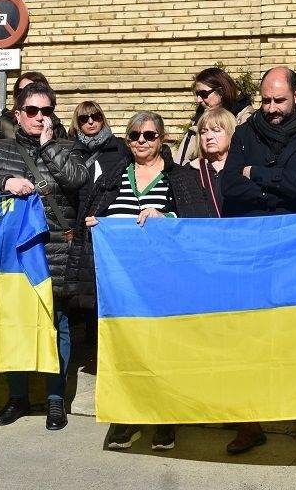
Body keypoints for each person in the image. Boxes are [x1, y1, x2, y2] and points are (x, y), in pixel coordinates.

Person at [78, 112, 215, 452]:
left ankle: (164, 419)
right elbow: (88, 216)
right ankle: (127, 417)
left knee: (163, 350)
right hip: (120, 284)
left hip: (164, 281)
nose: (142, 141)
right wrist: (96, 223)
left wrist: (165, 217)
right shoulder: (111, 177)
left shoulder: (179, 177)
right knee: (125, 351)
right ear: (128, 140)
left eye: (149, 135)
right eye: (135, 135)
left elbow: (198, 223)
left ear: (162, 139)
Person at [221, 66, 296, 458]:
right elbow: (230, 186)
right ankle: (250, 423)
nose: (270, 107)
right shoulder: (245, 133)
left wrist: (259, 174)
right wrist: (283, 179)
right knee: (251, 337)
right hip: (252, 249)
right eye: (266, 100)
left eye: (279, 100)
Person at [0, 81, 89, 431]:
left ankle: (55, 400)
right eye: (32, 111)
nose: (39, 117)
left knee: (56, 325)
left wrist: (50, 146)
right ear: (18, 114)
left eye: (46, 110)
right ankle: (17, 397)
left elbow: (77, 180)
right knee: (15, 325)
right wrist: (3, 184)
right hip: (15, 253)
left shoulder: (68, 146)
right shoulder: (2, 150)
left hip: (56, 250)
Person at [0, 71, 67, 167]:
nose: (26, 94)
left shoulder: (57, 128)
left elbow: (67, 165)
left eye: (33, 89)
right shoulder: (3, 123)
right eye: (21, 91)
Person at [178, 67, 254, 165]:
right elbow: (180, 163)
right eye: (197, 94)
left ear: (221, 92)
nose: (199, 100)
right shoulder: (197, 123)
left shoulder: (246, 121)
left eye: (203, 94)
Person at [184, 106, 236, 215]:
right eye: (203, 132)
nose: (208, 137)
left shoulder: (241, 169)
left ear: (231, 134)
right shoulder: (189, 172)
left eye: (216, 130)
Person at [69, 100, 129, 181]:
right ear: (77, 123)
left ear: (102, 119)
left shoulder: (120, 145)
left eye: (95, 116)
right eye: (84, 118)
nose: (90, 122)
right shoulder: (71, 149)